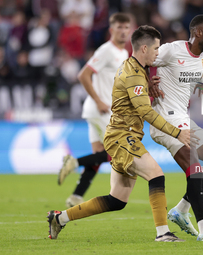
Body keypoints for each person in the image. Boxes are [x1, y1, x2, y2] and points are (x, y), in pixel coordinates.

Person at [47, 25, 193, 242]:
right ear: (144, 48)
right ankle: (163, 233)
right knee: (156, 174)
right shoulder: (134, 73)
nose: (157, 53)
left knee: (117, 200)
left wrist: (146, 87)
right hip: (122, 137)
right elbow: (144, 111)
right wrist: (176, 132)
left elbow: (134, 101)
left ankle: (59, 218)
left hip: (121, 136)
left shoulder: (133, 68)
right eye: (156, 48)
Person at [149, 15, 203, 242]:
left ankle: (181, 209)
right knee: (193, 169)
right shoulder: (172, 50)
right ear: (198, 32)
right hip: (164, 120)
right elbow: (139, 61)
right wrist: (146, 81)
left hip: (183, 118)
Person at [57, 13, 130, 208]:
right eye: (119, 28)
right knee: (117, 152)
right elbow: (84, 75)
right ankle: (73, 162)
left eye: (126, 28)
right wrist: (99, 101)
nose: (123, 31)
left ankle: (76, 196)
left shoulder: (123, 53)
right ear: (111, 30)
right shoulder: (106, 50)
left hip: (102, 109)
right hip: (101, 109)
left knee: (98, 154)